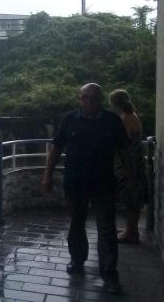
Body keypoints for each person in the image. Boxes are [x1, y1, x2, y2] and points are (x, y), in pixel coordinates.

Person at [42, 83, 136, 294]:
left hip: (104, 184)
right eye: (83, 98)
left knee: (107, 229)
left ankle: (110, 275)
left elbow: (124, 153)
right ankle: (77, 260)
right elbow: (56, 149)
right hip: (75, 183)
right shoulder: (69, 120)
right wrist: (47, 175)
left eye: (91, 98)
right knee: (76, 223)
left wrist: (132, 180)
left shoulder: (112, 122)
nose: (87, 102)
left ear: (100, 100)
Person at [109, 89, 146, 244]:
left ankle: (130, 233)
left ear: (114, 104)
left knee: (130, 199)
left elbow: (123, 145)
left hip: (128, 165)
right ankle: (132, 230)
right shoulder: (134, 116)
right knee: (134, 198)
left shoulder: (123, 119)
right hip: (137, 162)